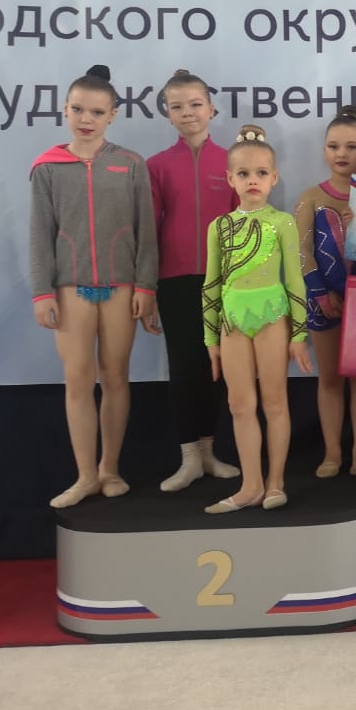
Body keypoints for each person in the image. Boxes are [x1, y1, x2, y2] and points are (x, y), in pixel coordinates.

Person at [30, 65, 159, 509]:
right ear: (65, 109)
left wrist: (146, 286)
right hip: (70, 289)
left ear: (113, 115)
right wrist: (42, 292)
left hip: (123, 287)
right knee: (78, 379)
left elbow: (146, 231)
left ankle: (110, 469)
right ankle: (85, 475)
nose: (87, 119)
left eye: (97, 112)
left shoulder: (131, 164)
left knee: (116, 376)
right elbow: (39, 234)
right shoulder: (48, 167)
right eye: (79, 109)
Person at [201, 126, 312, 513]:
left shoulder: (282, 222)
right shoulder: (219, 227)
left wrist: (298, 333)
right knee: (239, 404)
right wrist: (210, 340)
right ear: (230, 178)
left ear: (274, 177)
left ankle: (276, 482)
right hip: (232, 322)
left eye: (261, 173)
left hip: (272, 317)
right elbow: (211, 284)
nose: (253, 180)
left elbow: (295, 279)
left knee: (275, 402)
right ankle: (250, 485)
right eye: (244, 173)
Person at [147, 69, 241, 491]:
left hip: (226, 281)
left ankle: (209, 452)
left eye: (195, 104)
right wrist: (147, 288)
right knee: (185, 367)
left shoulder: (233, 162)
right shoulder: (157, 166)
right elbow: (150, 229)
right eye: (177, 106)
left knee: (216, 368)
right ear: (168, 114)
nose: (187, 112)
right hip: (175, 281)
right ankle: (188, 458)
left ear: (212, 109)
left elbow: (246, 223)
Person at [293, 105, 356, 478]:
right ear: (324, 150)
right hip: (322, 300)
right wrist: (320, 293)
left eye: (351, 147)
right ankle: (331, 452)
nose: (341, 154)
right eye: (334, 146)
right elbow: (301, 252)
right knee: (329, 378)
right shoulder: (311, 196)